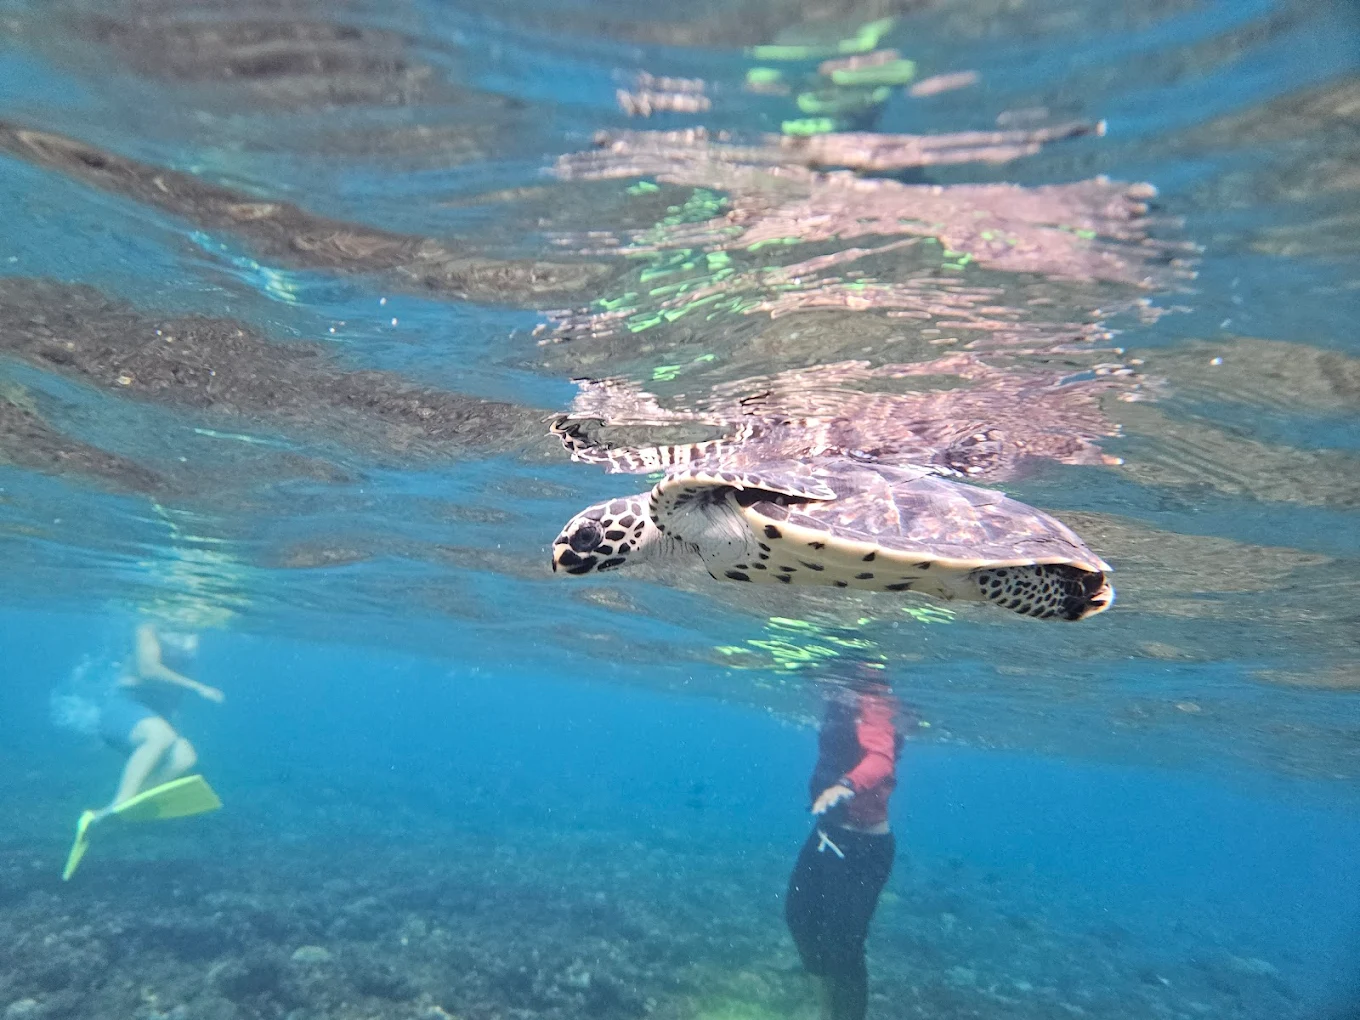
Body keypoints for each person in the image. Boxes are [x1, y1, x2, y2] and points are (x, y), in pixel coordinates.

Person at [785, 667, 903, 1020]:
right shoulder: (839, 699)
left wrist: (845, 787)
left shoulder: (872, 700)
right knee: (799, 918)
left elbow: (881, 760)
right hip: (827, 835)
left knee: (844, 947)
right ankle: (827, 1011)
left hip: (862, 850)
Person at [91, 622, 223, 820]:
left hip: (155, 716)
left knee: (184, 757)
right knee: (160, 736)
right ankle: (119, 803)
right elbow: (148, 669)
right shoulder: (148, 627)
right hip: (124, 708)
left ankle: (128, 804)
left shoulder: (192, 631)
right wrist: (197, 687)